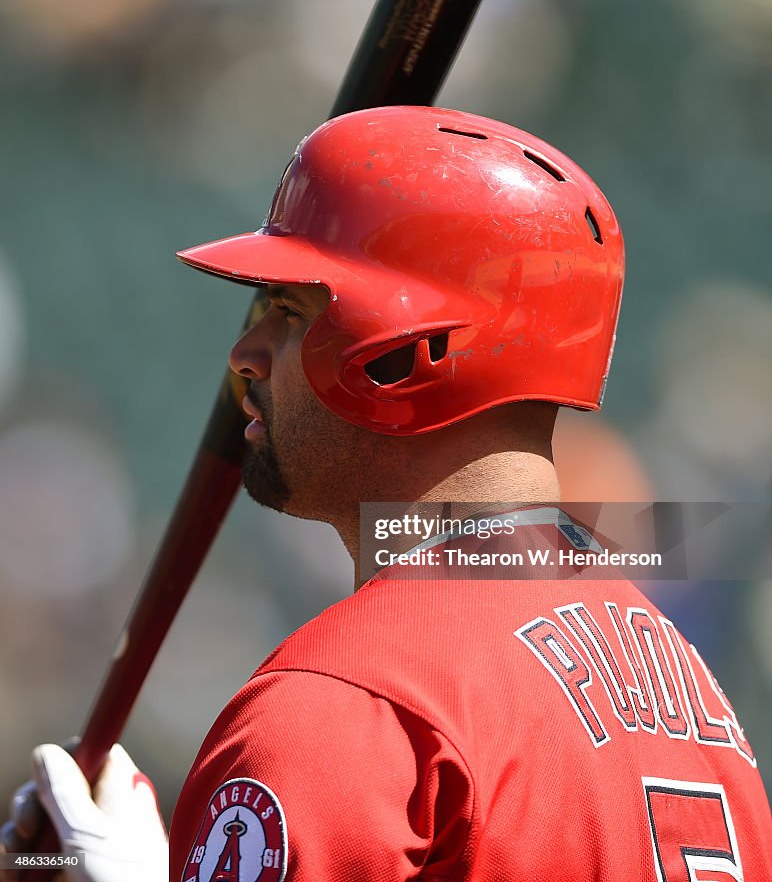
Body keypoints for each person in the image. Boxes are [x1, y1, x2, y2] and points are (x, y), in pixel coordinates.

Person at [2, 106, 770, 880]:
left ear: (405, 355)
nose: (245, 352)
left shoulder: (345, 706)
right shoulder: (691, 695)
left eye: (291, 312)